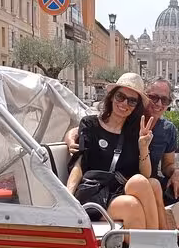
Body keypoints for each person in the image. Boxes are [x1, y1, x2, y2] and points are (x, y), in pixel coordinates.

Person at [65, 77, 179, 231]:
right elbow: (83, 145)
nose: (159, 104)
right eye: (154, 98)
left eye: (165, 100)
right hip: (105, 189)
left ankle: (178, 236)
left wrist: (175, 171)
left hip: (134, 186)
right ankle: (162, 241)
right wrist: (70, 137)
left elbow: (166, 165)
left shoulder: (150, 130)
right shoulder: (103, 124)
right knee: (142, 187)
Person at [66, 73, 167, 229]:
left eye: (132, 101)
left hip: (119, 190)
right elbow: (79, 163)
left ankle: (157, 241)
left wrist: (143, 147)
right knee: (132, 206)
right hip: (95, 192)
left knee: (149, 183)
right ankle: (154, 245)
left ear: (136, 106)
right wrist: (67, 197)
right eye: (120, 96)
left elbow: (146, 175)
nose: (124, 103)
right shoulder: (90, 124)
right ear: (112, 97)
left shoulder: (135, 133)